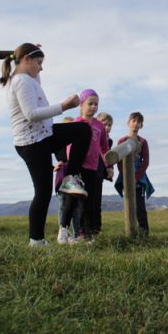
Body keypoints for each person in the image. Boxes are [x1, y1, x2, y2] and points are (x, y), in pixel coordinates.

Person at [0, 43, 91, 247]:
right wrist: (64, 106)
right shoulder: (21, 81)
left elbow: (34, 73)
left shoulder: (27, 78)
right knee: (42, 192)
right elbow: (31, 114)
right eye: (39, 63)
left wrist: (33, 49)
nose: (41, 68)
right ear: (25, 60)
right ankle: (36, 240)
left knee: (83, 130)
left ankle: (70, 178)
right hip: (31, 143)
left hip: (44, 135)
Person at [58, 89, 110, 243]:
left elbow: (104, 148)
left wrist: (108, 164)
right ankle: (63, 231)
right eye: (90, 103)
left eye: (96, 104)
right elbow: (67, 145)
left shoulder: (99, 126)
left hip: (92, 168)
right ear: (81, 104)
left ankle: (86, 235)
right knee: (71, 200)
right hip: (76, 168)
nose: (94, 107)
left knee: (89, 203)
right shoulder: (76, 123)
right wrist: (67, 163)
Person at [115, 112, 153, 236]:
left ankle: (144, 232)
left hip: (139, 176)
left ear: (141, 125)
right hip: (125, 175)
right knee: (129, 203)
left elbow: (146, 161)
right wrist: (126, 176)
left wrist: (136, 177)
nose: (136, 124)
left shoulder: (143, 142)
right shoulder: (122, 140)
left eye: (139, 122)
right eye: (134, 121)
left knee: (140, 206)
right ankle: (131, 231)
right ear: (128, 123)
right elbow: (118, 160)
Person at [54, 116, 84, 238]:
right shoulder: (59, 144)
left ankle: (77, 233)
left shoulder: (77, 144)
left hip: (76, 176)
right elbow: (59, 158)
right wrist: (54, 166)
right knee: (62, 205)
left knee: (77, 207)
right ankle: (63, 232)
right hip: (62, 176)